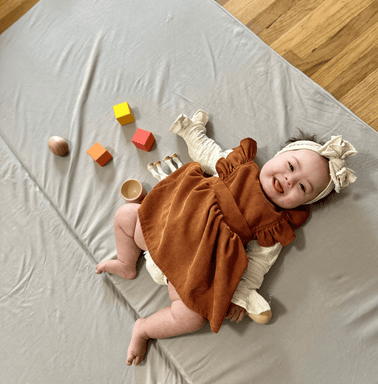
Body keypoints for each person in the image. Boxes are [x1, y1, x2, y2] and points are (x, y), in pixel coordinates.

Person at [96, 110, 358, 366]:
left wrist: (241, 296)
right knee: (126, 216)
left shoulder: (275, 225)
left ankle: (144, 329)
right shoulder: (239, 165)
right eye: (291, 166)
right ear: (278, 156)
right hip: (164, 229)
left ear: (302, 205)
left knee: (192, 317)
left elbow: (258, 265)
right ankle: (126, 263)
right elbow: (206, 152)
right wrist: (191, 132)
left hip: (193, 270)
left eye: (302, 187)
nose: (290, 179)